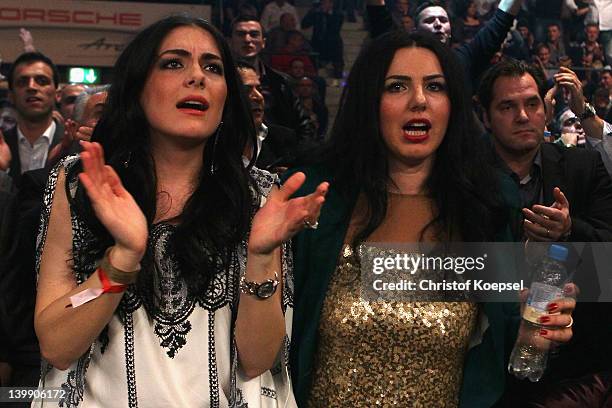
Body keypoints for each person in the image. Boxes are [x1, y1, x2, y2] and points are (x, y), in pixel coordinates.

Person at [32, 15, 327, 407]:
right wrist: (122, 259)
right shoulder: (80, 184)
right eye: (173, 63)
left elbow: (258, 361)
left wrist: (258, 257)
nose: (197, 77)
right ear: (138, 87)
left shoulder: (258, 195)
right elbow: (56, 344)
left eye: (213, 67)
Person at [287, 31, 574, 407]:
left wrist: (533, 337)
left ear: (453, 104)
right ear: (368, 101)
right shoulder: (316, 200)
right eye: (397, 86)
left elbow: (501, 357)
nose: (419, 101)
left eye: (435, 86)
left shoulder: (485, 207)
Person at [477, 58, 612, 406]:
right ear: (486, 117)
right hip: (487, 368)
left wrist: (569, 231)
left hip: (576, 370)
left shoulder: (583, 166)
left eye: (531, 103)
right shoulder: (464, 178)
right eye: (507, 106)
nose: (523, 116)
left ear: (546, 110)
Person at [366, 0, 524, 93]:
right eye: (429, 21)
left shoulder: (463, 58)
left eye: (443, 20)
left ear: (450, 30)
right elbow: (379, 19)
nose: (437, 24)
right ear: (415, 30)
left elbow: (500, 22)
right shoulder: (401, 56)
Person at [230, 15, 317, 143]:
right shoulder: (218, 79)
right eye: (241, 34)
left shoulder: (281, 81)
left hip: (276, 156)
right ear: (230, 41)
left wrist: (294, 158)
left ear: (263, 42)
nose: (247, 39)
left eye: (254, 34)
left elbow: (304, 124)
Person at [2, 52, 65, 184]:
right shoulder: (3, 144)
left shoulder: (72, 145)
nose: (31, 87)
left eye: (42, 81)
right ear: (11, 96)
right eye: (22, 82)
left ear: (57, 94)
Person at [236, 60, 298, 172]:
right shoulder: (210, 143)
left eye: (259, 89)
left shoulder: (283, 140)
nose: (259, 97)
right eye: (246, 90)